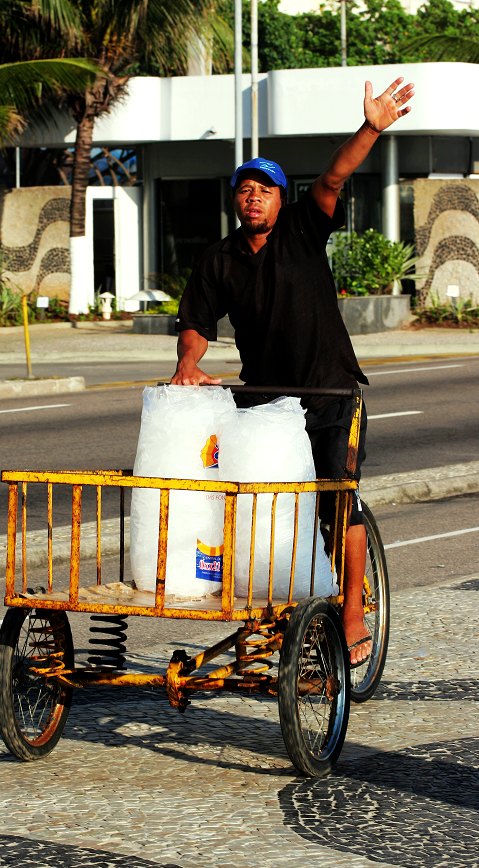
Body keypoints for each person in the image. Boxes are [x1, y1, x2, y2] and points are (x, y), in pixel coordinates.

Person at [171, 76, 414, 668]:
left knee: (338, 502)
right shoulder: (219, 259)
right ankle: (279, 602)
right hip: (266, 405)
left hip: (331, 394)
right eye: (246, 189)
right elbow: (197, 323)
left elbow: (333, 177)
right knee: (264, 505)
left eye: (266, 189)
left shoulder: (304, 232)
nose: (254, 196)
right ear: (236, 200)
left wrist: (371, 127)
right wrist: (187, 365)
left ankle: (353, 612)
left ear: (282, 200)